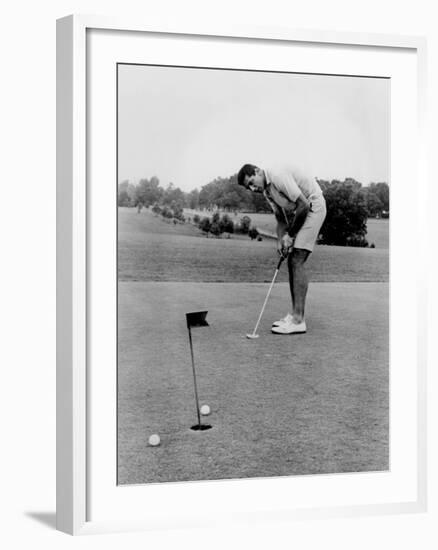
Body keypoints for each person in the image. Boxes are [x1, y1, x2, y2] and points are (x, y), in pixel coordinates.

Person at [237, 163, 326, 334]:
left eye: (251, 181)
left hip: (314, 206)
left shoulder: (277, 175)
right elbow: (280, 218)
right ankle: (295, 314)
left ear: (257, 171)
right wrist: (280, 240)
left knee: (297, 258)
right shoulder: (267, 191)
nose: (252, 187)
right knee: (292, 258)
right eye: (248, 186)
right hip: (303, 212)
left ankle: (299, 320)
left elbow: (304, 206)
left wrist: (290, 236)